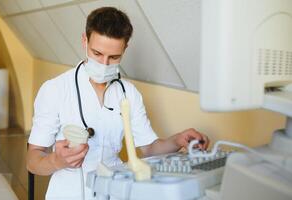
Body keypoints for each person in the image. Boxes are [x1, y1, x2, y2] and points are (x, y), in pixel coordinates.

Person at [26, 7, 209, 200]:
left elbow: (149, 149)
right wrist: (56, 160)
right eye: (97, 53)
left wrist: (177, 140)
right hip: (68, 193)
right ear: (84, 41)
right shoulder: (55, 89)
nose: (104, 64)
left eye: (114, 57)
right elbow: (32, 161)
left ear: (125, 49)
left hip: (114, 191)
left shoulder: (128, 93)